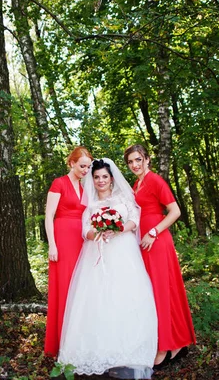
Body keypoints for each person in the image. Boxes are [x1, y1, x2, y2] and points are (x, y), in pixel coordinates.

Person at [58, 158, 157, 379]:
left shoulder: (123, 197)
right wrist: (98, 233)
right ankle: (97, 350)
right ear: (92, 180)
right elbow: (85, 229)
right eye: (97, 177)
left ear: (111, 178)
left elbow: (135, 218)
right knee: (97, 299)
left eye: (104, 176)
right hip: (97, 253)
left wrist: (119, 229)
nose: (101, 180)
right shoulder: (91, 203)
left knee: (124, 296)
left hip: (123, 250)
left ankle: (127, 350)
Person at [124, 144, 196, 370]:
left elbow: (175, 211)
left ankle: (164, 348)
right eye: (130, 162)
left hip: (157, 241)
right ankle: (176, 343)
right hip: (144, 243)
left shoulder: (155, 180)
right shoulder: (138, 183)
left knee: (162, 291)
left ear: (147, 159)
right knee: (157, 292)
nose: (135, 165)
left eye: (138, 160)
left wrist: (154, 232)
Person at [44, 146, 94, 358]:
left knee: (80, 289)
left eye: (88, 167)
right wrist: (52, 244)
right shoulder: (59, 183)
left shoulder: (84, 188)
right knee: (65, 288)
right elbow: (49, 216)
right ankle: (61, 344)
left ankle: (78, 340)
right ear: (71, 163)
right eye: (82, 165)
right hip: (63, 239)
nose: (85, 170)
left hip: (81, 241)